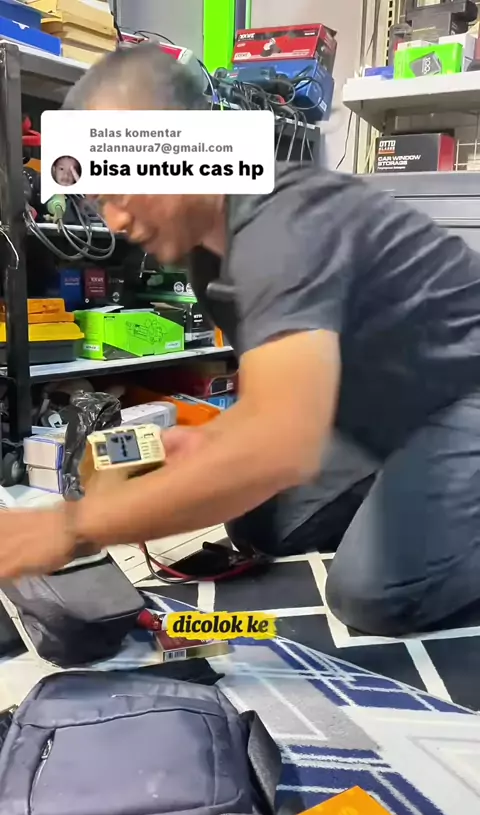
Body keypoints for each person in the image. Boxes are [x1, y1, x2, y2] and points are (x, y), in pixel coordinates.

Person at [2, 44, 480, 638]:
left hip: (461, 395)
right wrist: (209, 443)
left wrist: (70, 528)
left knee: (375, 595)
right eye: (100, 199)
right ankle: (423, 501)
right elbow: (269, 399)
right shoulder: (209, 256)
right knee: (261, 525)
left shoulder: (286, 224)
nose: (115, 221)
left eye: (119, 187)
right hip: (386, 409)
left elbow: (278, 446)